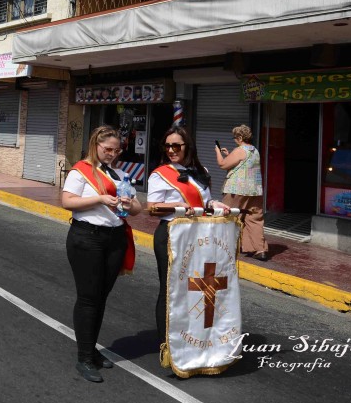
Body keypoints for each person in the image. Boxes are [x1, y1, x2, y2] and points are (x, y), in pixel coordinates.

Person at [60, 126, 140, 382]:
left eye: (116, 150)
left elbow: (138, 208)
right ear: (96, 145)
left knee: (101, 297)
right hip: (87, 238)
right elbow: (67, 201)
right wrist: (100, 199)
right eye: (107, 149)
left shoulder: (121, 174)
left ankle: (92, 349)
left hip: (114, 239)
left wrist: (130, 204)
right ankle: (84, 357)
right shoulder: (81, 170)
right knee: (88, 298)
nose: (112, 154)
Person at [146, 126, 229, 347]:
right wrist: (177, 205)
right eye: (168, 146)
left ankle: (191, 338)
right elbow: (152, 207)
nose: (171, 150)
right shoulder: (160, 174)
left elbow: (205, 201)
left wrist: (214, 204)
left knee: (194, 289)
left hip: (198, 235)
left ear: (187, 147)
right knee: (170, 289)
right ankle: (167, 344)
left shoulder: (201, 170)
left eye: (176, 146)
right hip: (172, 234)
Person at [217, 124, 267, 261]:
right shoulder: (254, 150)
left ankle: (224, 247)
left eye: (235, 138)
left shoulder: (240, 150)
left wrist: (217, 151)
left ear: (240, 137)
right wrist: (229, 155)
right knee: (254, 219)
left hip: (236, 190)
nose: (234, 140)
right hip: (255, 190)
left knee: (227, 216)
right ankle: (259, 249)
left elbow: (222, 164)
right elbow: (244, 164)